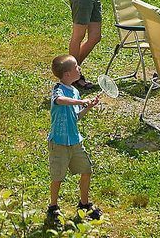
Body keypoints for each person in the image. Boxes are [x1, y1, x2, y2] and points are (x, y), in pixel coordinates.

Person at [45, 54, 102, 231]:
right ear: (68, 74)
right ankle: (53, 208)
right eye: (77, 67)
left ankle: (84, 204)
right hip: (59, 142)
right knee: (57, 177)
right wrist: (81, 101)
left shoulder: (75, 91)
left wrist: (88, 107)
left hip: (75, 141)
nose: (79, 69)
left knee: (86, 170)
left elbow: (76, 116)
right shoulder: (58, 89)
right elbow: (60, 101)